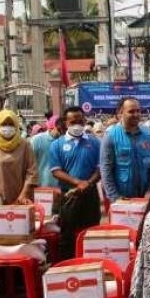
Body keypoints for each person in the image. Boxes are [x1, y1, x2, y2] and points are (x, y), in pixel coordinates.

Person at [49, 106, 101, 260]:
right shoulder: (57, 145)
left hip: (90, 194)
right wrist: (77, 183)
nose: (77, 124)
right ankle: (68, 268)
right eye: (73, 122)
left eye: (80, 121)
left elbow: (100, 169)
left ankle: (90, 266)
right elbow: (56, 171)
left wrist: (88, 183)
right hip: (69, 196)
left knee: (91, 234)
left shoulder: (95, 142)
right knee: (67, 236)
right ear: (65, 123)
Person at [100, 97, 150, 201]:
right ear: (120, 113)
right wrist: (115, 197)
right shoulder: (110, 136)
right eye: (131, 111)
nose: (136, 114)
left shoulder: (148, 135)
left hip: (146, 197)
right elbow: (106, 170)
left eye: (138, 111)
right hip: (122, 199)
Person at [0, 109, 38, 205]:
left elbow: (32, 172)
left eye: (11, 124)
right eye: (4, 124)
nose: (7, 127)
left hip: (22, 198)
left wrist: (23, 195)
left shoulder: (24, 145)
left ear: (16, 125)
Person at [30, 115, 65, 188]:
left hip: (61, 187)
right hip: (41, 186)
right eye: (59, 130)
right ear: (53, 127)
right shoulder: (37, 140)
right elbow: (30, 165)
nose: (61, 133)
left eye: (64, 131)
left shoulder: (65, 141)